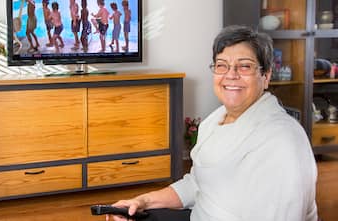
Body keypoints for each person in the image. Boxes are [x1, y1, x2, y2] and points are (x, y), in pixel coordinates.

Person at [107, 25, 318, 221]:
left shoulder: (282, 142)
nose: (231, 75)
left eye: (244, 66)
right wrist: (143, 201)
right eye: (221, 65)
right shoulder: (215, 120)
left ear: (266, 76)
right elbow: (198, 183)